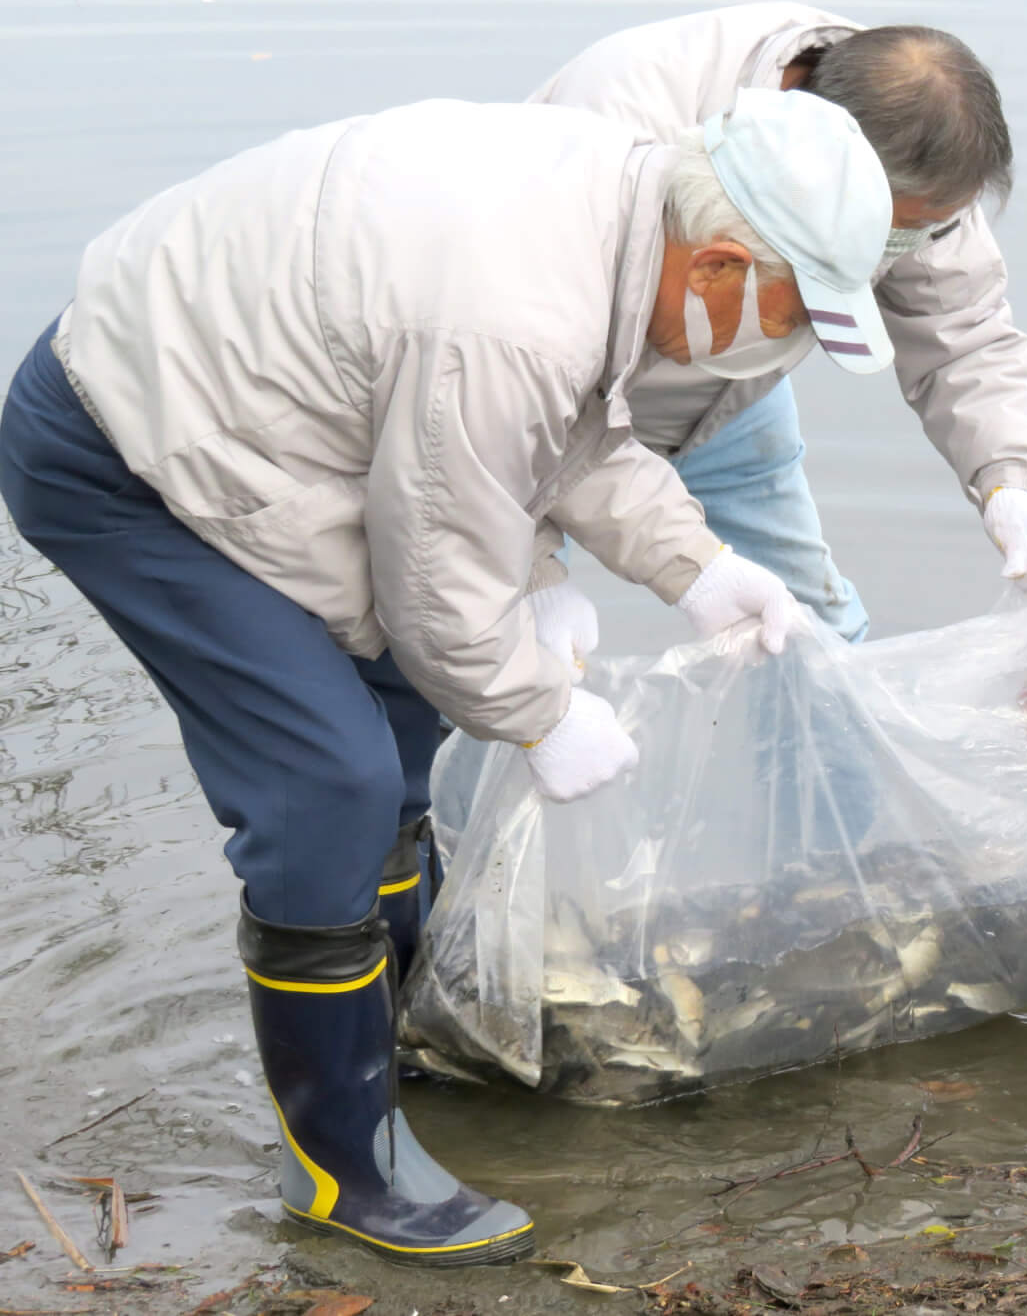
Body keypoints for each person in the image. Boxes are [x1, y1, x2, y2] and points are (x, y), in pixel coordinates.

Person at [0, 90, 893, 1262]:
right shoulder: (517, 304)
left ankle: (407, 1028)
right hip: (127, 448)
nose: (781, 356)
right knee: (326, 779)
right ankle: (340, 1164)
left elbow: (564, 433)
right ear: (722, 260)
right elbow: (436, 580)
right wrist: (540, 710)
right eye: (788, 320)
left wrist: (699, 566)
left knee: (405, 712)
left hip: (275, 416)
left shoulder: (627, 212)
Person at [518, 2, 1027, 670]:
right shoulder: (621, 123)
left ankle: (829, 771)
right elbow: (500, 395)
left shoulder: (926, 155)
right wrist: (533, 575)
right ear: (828, 160)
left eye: (922, 232)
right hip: (551, 404)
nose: (898, 251)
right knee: (515, 645)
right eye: (892, 231)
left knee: (812, 638)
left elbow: (964, 325)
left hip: (730, 401)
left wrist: (1008, 480)